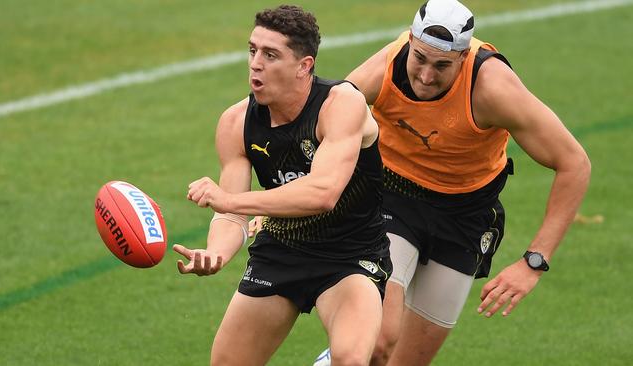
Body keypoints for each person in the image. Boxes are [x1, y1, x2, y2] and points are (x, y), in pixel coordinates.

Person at [312, 0, 591, 365]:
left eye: (442, 65)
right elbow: (324, 123)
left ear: (463, 59)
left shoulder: (493, 88)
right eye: (420, 59)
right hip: (390, 198)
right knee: (377, 341)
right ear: (410, 41)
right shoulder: (384, 68)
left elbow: (575, 163)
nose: (427, 76)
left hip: (465, 216)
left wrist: (533, 262)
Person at [174, 5, 392, 366]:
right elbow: (231, 217)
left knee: (351, 359)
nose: (255, 63)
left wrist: (231, 200)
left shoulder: (341, 105)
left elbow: (323, 193)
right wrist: (217, 252)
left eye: (270, 54)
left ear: (304, 65)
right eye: (252, 50)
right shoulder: (235, 123)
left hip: (350, 257)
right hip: (282, 251)